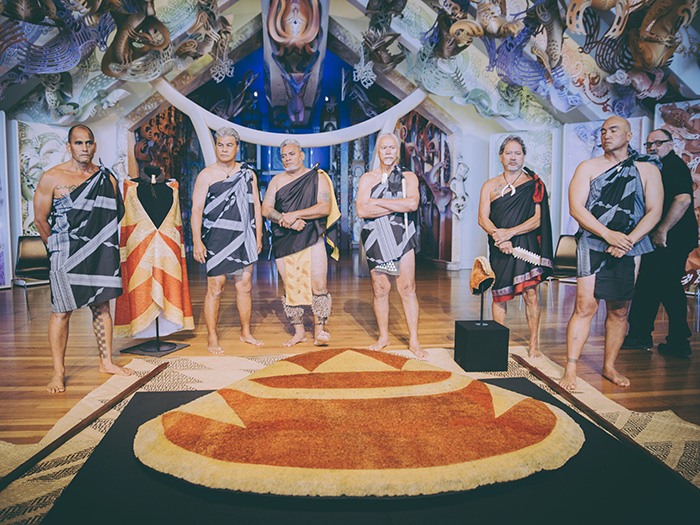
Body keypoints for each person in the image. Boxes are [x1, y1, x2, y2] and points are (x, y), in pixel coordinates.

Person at [560, 116, 663, 390]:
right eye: (603, 131)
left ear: (629, 135)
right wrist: (608, 235)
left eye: (613, 130)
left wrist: (626, 240)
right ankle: (570, 368)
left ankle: (609, 366)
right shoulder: (589, 167)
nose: (606, 134)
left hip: (630, 246)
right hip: (593, 243)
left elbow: (655, 211)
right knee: (585, 306)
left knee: (619, 310)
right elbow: (576, 208)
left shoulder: (648, 170)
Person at [33, 124, 133, 393]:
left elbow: (113, 213)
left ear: (95, 146)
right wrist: (57, 249)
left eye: (89, 143)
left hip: (100, 250)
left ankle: (106, 362)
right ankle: (58, 372)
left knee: (102, 306)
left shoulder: (106, 178)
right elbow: (40, 220)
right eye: (79, 143)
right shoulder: (51, 178)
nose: (85, 148)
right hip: (64, 252)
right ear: (69, 146)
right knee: (61, 312)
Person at [622, 129, 698, 356]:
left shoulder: (673, 165)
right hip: (667, 237)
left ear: (671, 144)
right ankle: (643, 335)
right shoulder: (661, 167)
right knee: (650, 285)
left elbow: (683, 199)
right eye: (648, 144)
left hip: (671, 238)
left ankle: (676, 341)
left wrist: (662, 230)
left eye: (658, 143)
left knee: (666, 286)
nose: (652, 147)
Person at [478, 135, 553, 358]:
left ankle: (534, 344)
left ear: (524, 157)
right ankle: (497, 344)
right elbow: (483, 218)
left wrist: (510, 233)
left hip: (526, 245)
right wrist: (499, 238)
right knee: (499, 294)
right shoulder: (490, 185)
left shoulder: (533, 184)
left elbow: (538, 220)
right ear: (501, 156)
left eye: (517, 153)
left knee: (530, 293)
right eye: (508, 153)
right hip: (499, 247)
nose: (513, 157)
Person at [261, 139, 340, 347]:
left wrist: (294, 215)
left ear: (302, 155)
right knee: (290, 287)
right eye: (284, 156)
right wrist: (285, 221)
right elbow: (266, 208)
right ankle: (299, 333)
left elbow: (324, 207)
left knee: (319, 285)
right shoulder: (277, 181)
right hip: (283, 239)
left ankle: (319, 332)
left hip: (311, 236)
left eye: (291, 154)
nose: (287, 159)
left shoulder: (318, 177)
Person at [191, 128, 264, 353]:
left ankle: (246, 332)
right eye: (220, 145)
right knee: (216, 287)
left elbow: (256, 207)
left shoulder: (247, 174)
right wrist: (196, 241)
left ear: (237, 147)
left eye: (229, 145)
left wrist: (258, 236)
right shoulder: (206, 175)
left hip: (244, 236)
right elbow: (197, 210)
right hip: (216, 237)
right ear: (216, 146)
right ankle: (212, 335)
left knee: (244, 285)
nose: (224, 149)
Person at [356, 133, 427, 358]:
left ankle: (414, 340)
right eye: (384, 148)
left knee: (407, 288)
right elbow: (361, 211)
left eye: (392, 148)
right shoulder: (367, 178)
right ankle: (383, 336)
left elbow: (413, 204)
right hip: (376, 237)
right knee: (380, 289)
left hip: (402, 235)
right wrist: (398, 205)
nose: (388, 152)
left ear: (398, 151)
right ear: (378, 151)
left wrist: (376, 202)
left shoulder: (409, 177)